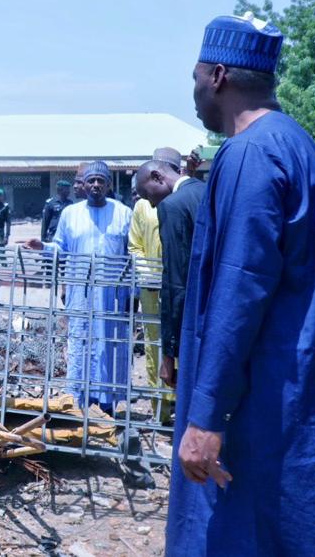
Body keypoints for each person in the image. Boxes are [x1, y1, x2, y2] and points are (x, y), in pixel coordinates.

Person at [166, 13, 315, 556]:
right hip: (306, 393)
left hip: (266, 404)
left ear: (218, 76)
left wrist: (206, 417)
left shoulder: (251, 153)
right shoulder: (297, 142)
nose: (194, 91)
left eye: (196, 77)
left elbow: (239, 290)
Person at [25, 161, 132, 414]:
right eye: (91, 180)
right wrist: (43, 247)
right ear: (83, 185)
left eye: (100, 181)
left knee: (109, 345)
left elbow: (131, 255)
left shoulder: (123, 213)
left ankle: (107, 404)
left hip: (112, 297)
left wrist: (132, 294)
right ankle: (78, 403)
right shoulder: (70, 214)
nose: (95, 185)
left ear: (108, 185)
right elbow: (60, 249)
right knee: (80, 343)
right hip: (80, 294)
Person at [134, 156, 206, 393]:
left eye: (147, 195)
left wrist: (168, 354)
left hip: (193, 323)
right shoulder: (206, 190)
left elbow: (176, 284)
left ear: (157, 177)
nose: (151, 204)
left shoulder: (172, 206)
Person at [129, 147, 181, 424]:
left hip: (180, 289)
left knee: (181, 346)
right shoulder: (143, 206)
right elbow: (135, 246)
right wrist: (148, 274)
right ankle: (160, 411)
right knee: (154, 348)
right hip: (152, 290)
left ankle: (182, 409)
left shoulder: (183, 200)